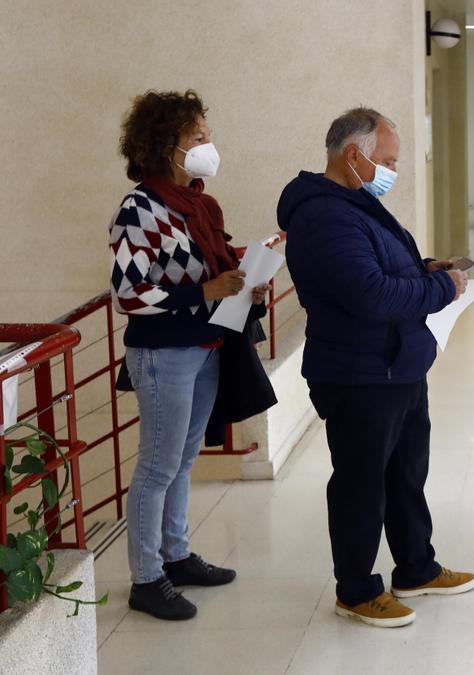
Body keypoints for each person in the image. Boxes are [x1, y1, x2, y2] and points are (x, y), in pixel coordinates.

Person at [277, 107, 474, 628]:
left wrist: (423, 268)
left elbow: (381, 270)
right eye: (386, 160)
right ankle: (358, 589)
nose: (391, 170)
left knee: (406, 474)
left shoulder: (355, 203)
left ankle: (416, 567)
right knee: (362, 482)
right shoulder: (323, 215)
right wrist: (440, 288)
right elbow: (370, 295)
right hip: (359, 372)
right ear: (353, 155)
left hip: (397, 365)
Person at [110, 90, 267, 621]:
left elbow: (213, 273)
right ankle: (146, 577)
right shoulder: (139, 209)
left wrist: (244, 288)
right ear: (166, 146)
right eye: (198, 138)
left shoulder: (200, 204)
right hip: (162, 355)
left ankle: (175, 556)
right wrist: (207, 292)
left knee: (181, 461)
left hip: (204, 348)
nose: (208, 146)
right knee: (157, 466)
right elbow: (129, 294)